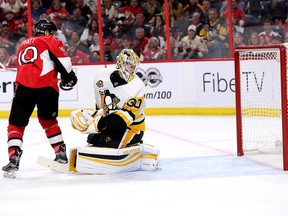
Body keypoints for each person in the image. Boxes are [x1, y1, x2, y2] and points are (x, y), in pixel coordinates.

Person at [2, 18, 78, 178]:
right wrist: (68, 77)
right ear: (47, 31)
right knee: (49, 122)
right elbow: (64, 62)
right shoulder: (50, 40)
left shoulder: (23, 44)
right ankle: (60, 153)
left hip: (23, 88)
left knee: (16, 124)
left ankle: (14, 158)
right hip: (46, 87)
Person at [70, 49, 160, 174]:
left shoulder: (137, 87)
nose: (133, 69)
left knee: (111, 143)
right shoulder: (101, 76)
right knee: (92, 139)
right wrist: (92, 117)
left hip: (132, 127)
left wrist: (98, 124)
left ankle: (135, 142)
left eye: (135, 66)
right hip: (112, 120)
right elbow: (101, 106)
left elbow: (124, 119)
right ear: (121, 64)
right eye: (130, 65)